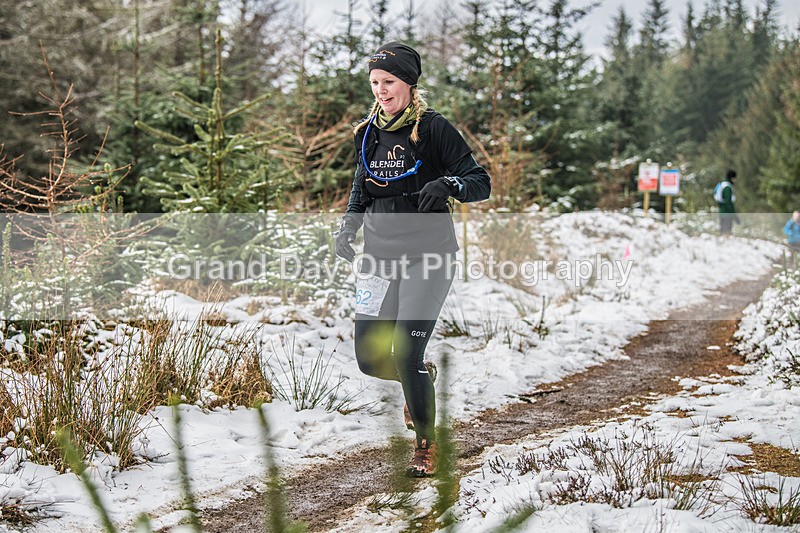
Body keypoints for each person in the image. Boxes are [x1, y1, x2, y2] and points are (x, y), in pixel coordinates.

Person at [334, 42, 491, 477]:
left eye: (389, 82)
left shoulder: (434, 129)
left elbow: (481, 183)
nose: (381, 91)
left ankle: (426, 445)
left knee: (405, 351)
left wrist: (450, 184)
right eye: (375, 83)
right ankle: (419, 378)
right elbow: (360, 189)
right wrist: (348, 226)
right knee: (369, 357)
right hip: (379, 258)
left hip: (429, 256)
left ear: (409, 83)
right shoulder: (365, 132)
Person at [714, 169, 739, 235]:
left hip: (722, 211)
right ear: (732, 178)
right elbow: (728, 203)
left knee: (722, 232)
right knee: (727, 232)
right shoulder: (727, 187)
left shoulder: (723, 184)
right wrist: (734, 215)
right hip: (727, 213)